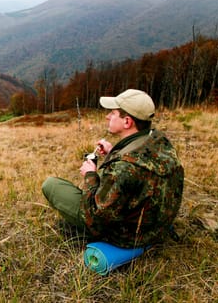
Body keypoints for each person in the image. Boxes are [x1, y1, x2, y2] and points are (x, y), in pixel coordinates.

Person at [41, 89, 184, 248]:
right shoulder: (159, 141)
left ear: (127, 121)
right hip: (156, 227)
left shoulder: (123, 167)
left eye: (113, 113)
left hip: (129, 237)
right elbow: (141, 171)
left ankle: (82, 235)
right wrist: (112, 153)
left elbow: (95, 220)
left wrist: (90, 175)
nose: (107, 116)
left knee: (51, 185)